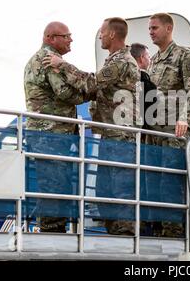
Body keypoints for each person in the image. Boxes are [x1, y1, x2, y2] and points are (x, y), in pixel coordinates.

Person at [24, 21, 94, 233]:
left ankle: (50, 227)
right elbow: (64, 92)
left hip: (47, 132)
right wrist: (89, 93)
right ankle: (51, 231)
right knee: (55, 184)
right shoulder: (48, 59)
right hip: (51, 133)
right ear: (51, 38)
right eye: (67, 36)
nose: (71, 39)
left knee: (51, 182)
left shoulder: (39, 58)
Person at [147, 13, 190, 237]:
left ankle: (175, 235)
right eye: (150, 28)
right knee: (153, 183)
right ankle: (159, 232)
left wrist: (186, 118)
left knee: (170, 182)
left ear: (169, 28)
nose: (151, 31)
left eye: (155, 28)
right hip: (154, 129)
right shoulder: (154, 59)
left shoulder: (184, 55)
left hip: (175, 129)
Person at [92, 17, 141, 236]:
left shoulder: (121, 60)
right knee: (105, 189)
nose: (100, 35)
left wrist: (61, 67)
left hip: (121, 136)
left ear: (112, 34)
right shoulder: (113, 59)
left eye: (102, 31)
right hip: (110, 134)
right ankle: (114, 234)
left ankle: (125, 238)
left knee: (121, 188)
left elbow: (93, 83)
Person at [130, 42, 157, 129]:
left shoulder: (121, 79)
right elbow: (151, 117)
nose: (150, 60)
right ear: (141, 58)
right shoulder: (148, 85)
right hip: (138, 135)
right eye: (148, 57)